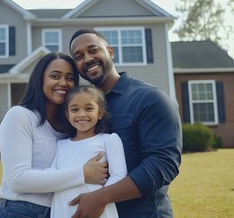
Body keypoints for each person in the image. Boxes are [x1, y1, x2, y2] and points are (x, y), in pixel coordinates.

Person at [68, 29, 182, 218]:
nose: (87, 59)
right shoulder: (82, 111)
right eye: (79, 56)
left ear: (110, 51)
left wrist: (101, 197)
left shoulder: (149, 98)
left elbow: (163, 164)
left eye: (93, 50)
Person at [0, 52, 108, 218]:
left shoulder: (71, 127)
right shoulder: (20, 115)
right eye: (55, 76)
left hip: (59, 211)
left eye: (70, 78)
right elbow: (17, 180)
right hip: (20, 211)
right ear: (40, 79)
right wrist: (82, 173)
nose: (63, 83)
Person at [50, 85, 127, 218]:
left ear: (100, 113)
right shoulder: (61, 145)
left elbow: (119, 176)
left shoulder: (109, 140)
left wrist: (97, 200)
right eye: (74, 109)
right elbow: (52, 178)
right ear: (68, 115)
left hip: (97, 211)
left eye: (89, 108)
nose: (81, 114)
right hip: (64, 210)